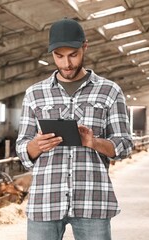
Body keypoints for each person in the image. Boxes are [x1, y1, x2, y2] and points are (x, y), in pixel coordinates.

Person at [15, 18, 133, 240]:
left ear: (85, 47)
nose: (66, 63)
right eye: (59, 56)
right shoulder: (35, 94)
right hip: (46, 199)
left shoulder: (109, 91)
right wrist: (35, 145)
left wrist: (94, 142)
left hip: (92, 199)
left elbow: (125, 145)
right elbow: (22, 148)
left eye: (73, 55)